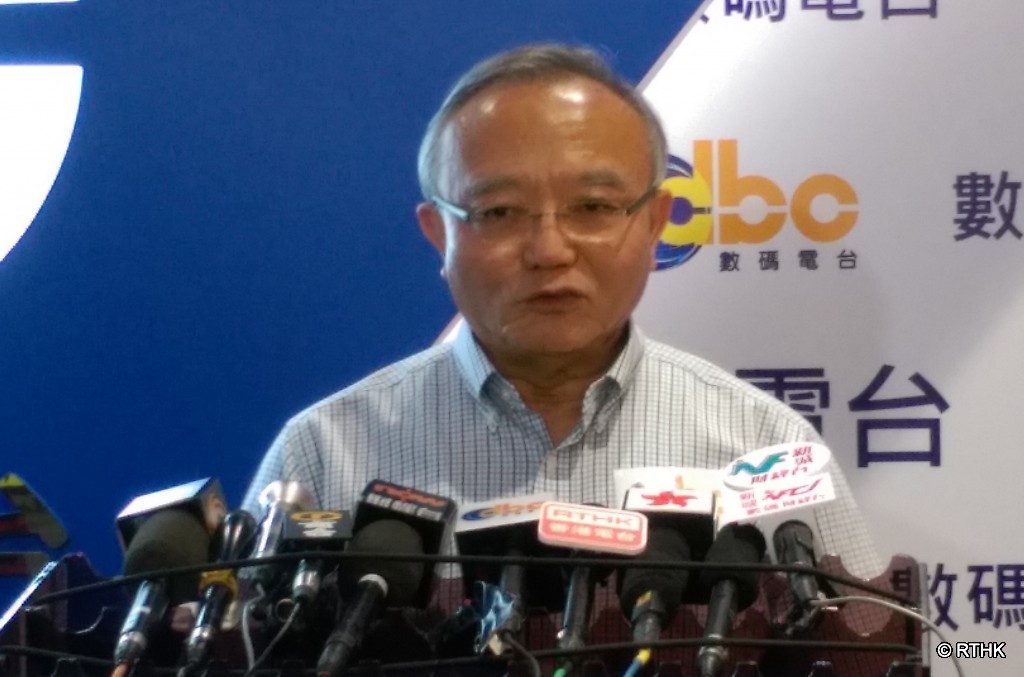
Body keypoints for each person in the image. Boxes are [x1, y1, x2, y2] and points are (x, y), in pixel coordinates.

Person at [243, 44, 880, 581]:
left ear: (655, 224)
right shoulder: (326, 455)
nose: (549, 250)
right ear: (439, 235)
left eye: (594, 207)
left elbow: (862, 645)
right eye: (499, 212)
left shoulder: (767, 447)